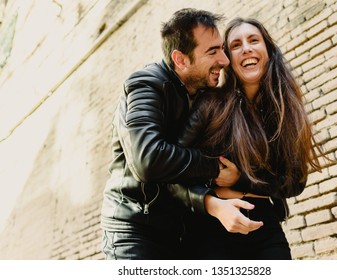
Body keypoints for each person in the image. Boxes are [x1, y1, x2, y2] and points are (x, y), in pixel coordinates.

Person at [100, 9, 262, 260]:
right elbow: (148, 159)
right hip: (134, 229)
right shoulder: (146, 84)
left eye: (221, 48)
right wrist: (215, 168)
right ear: (181, 59)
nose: (225, 59)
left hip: (180, 230)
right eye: (212, 51)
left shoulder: (202, 94)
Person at [177, 17, 324, 259]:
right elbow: (176, 165)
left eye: (253, 40)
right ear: (228, 59)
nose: (246, 48)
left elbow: (294, 181)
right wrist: (213, 205)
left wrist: (240, 178)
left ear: (267, 50)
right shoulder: (210, 104)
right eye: (235, 45)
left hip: (265, 226)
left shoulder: (286, 111)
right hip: (211, 225)